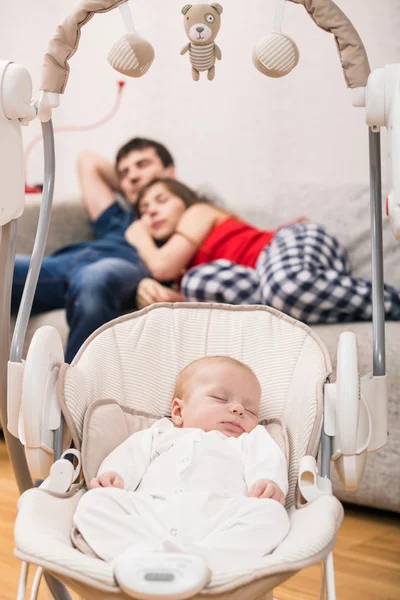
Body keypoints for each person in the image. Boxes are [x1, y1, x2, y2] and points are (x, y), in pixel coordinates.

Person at [73, 356, 290, 585]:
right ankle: (140, 555)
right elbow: (130, 455)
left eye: (250, 410)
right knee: (93, 504)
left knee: (272, 515)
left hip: (219, 519)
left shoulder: (248, 440)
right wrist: (116, 475)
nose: (238, 410)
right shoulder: (159, 434)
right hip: (150, 514)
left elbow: (267, 459)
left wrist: (268, 481)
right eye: (220, 398)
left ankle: (203, 562)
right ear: (178, 412)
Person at [126, 178, 400, 323]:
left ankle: (393, 300)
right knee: (198, 281)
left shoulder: (197, 212)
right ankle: (289, 304)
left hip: (288, 244)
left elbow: (162, 265)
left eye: (160, 200)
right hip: (264, 285)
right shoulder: (185, 271)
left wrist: (137, 235)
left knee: (285, 285)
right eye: (144, 210)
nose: (151, 211)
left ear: (185, 201)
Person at [12, 138, 183, 363]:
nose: (132, 175)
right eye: (124, 172)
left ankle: (70, 394)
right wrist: (132, 185)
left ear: (170, 170)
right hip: (61, 266)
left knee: (95, 279)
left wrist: (162, 187)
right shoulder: (117, 217)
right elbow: (87, 160)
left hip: (116, 271)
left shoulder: (186, 220)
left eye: (142, 164)